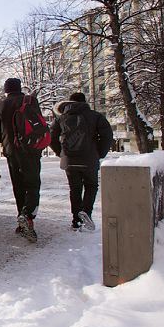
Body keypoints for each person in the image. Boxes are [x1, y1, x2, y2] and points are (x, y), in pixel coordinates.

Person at [49, 92, 112, 231]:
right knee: (91, 186)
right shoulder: (96, 116)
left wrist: (61, 152)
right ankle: (86, 212)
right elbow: (107, 135)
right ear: (84, 102)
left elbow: (51, 137)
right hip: (89, 159)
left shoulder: (61, 118)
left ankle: (76, 220)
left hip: (69, 160)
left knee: (75, 188)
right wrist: (99, 153)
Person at [0, 78, 42, 242]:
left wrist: (9, 142)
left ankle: (22, 222)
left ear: (6, 90)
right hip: (30, 149)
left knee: (19, 186)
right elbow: (39, 124)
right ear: (19, 88)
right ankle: (27, 215)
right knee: (33, 184)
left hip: (12, 151)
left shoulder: (0, 106)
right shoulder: (30, 100)